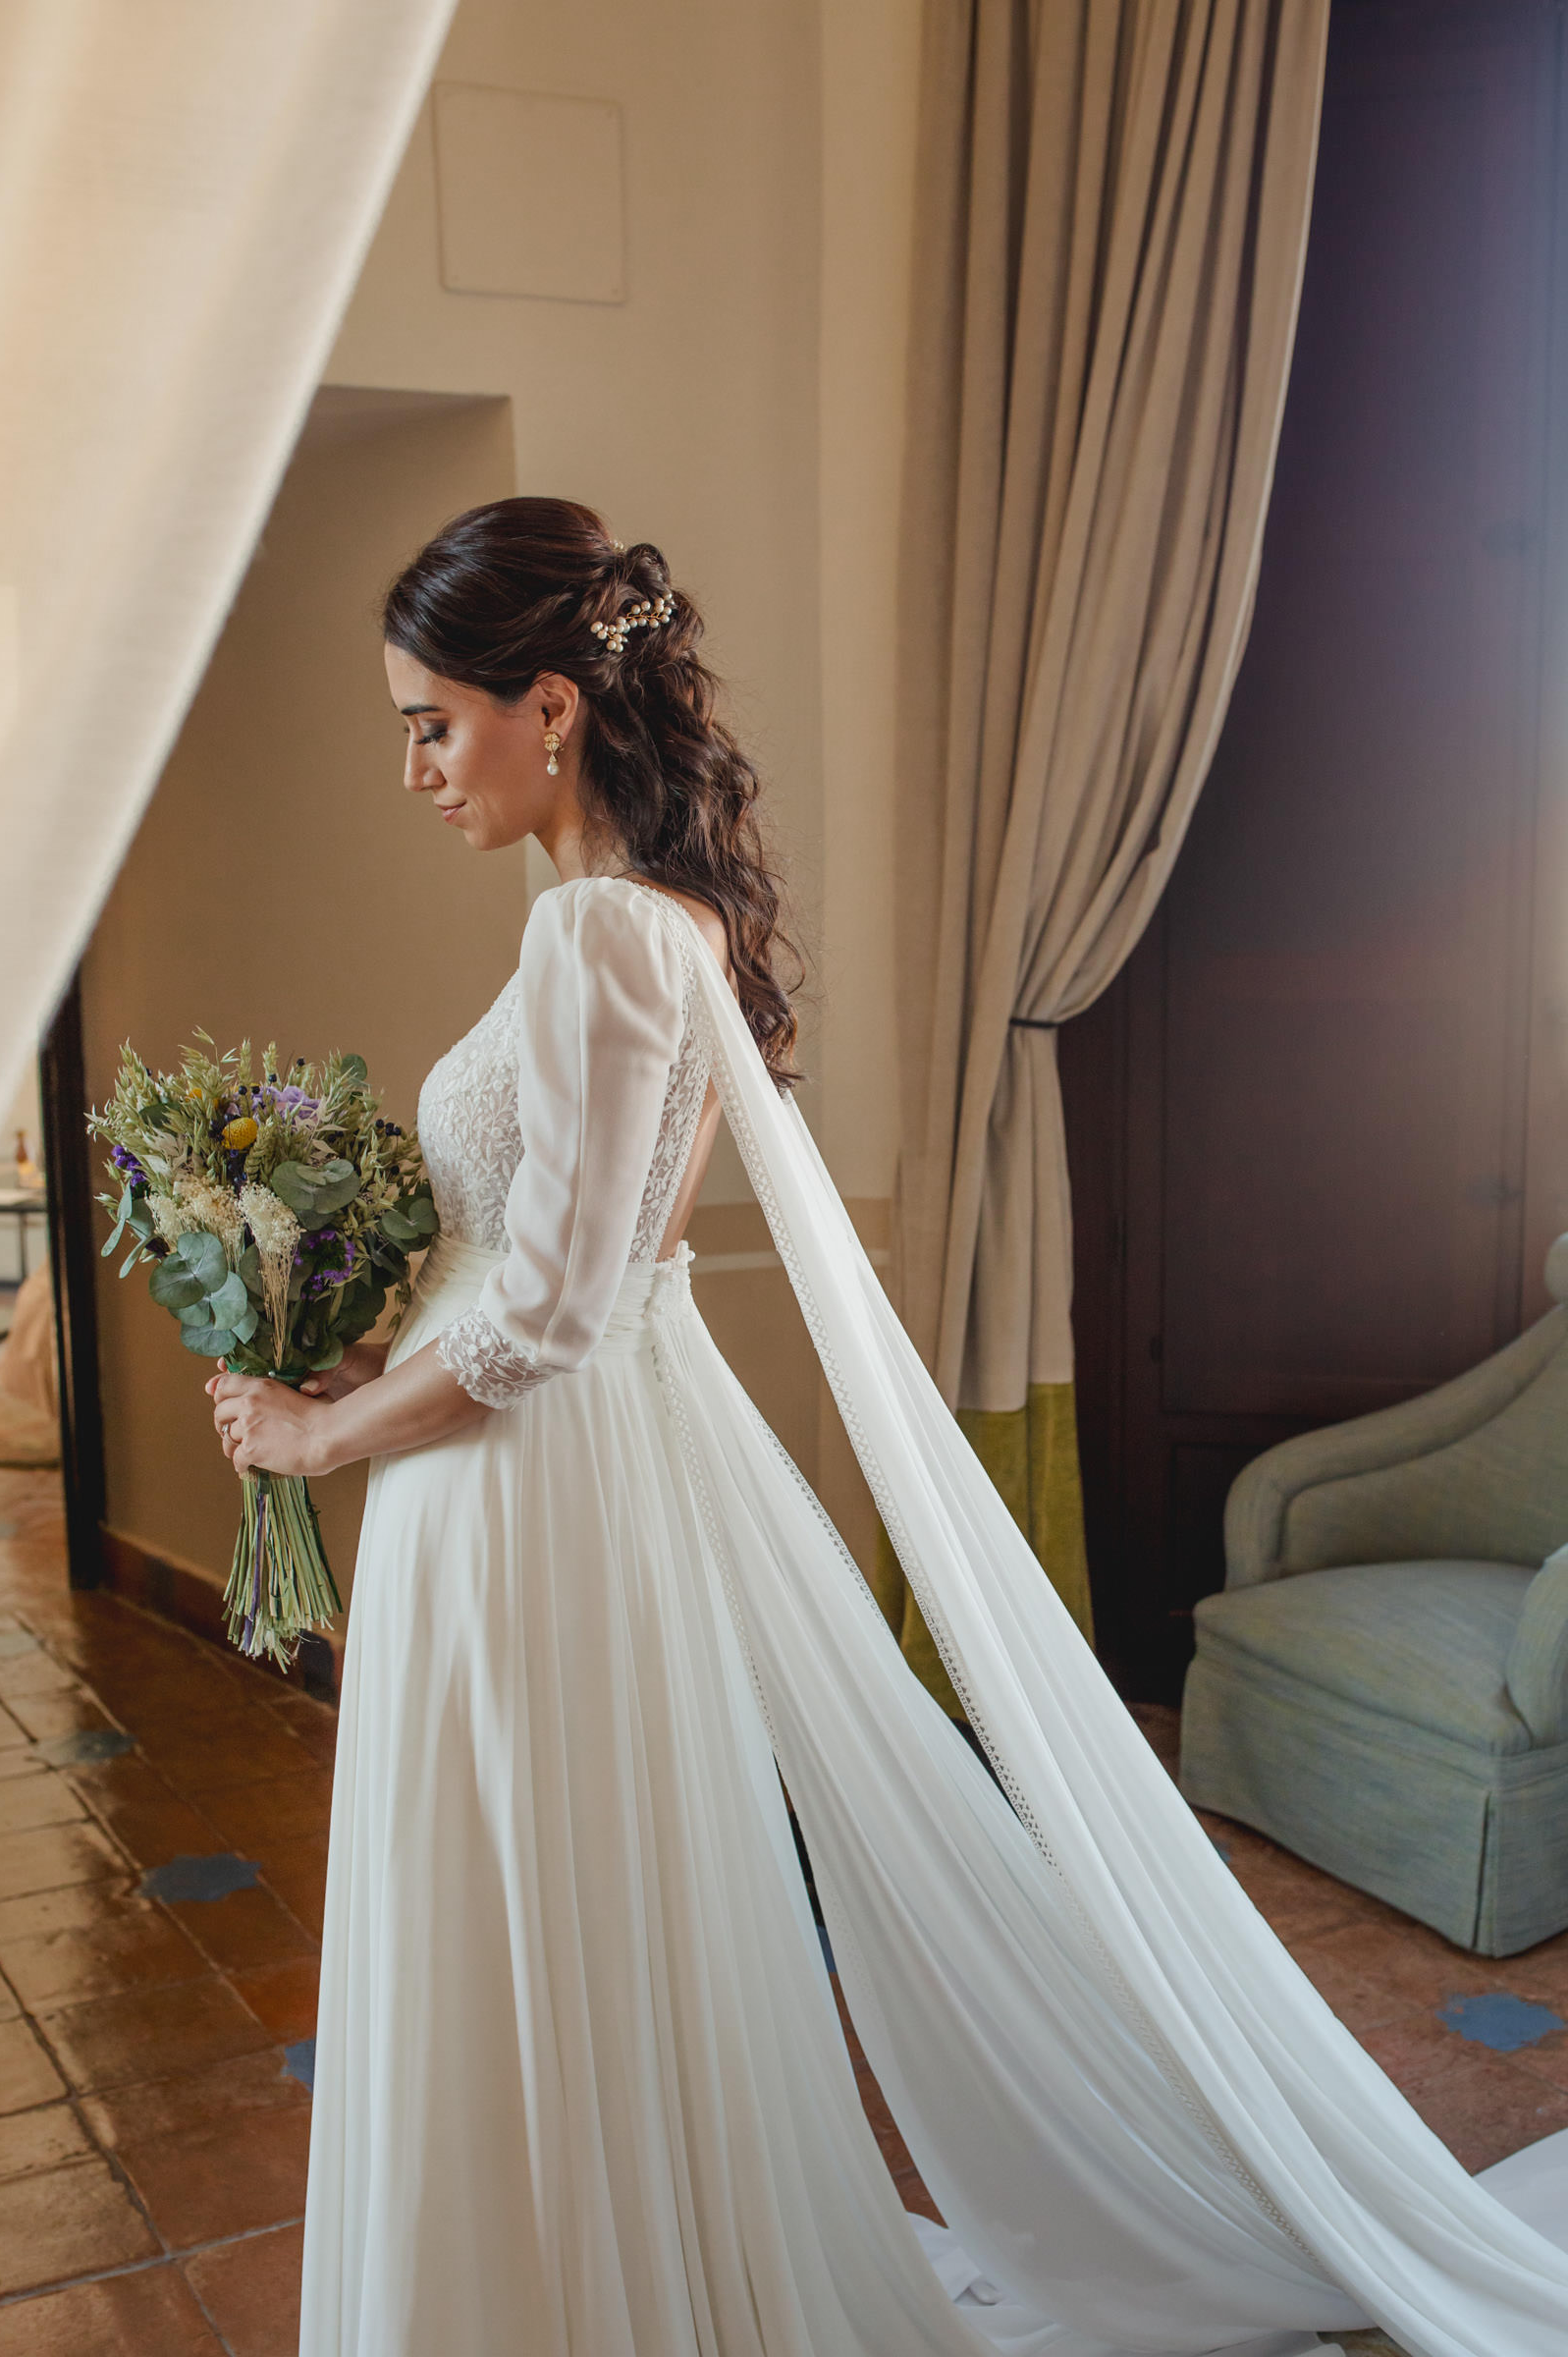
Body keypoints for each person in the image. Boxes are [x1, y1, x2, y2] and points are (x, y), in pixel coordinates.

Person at [209, 499, 1568, 2357]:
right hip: (551, 1479)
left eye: (431, 721)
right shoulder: (670, 924)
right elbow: (593, 1259)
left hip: (518, 1493)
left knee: (522, 1920)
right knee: (573, 1920)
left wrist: (318, 1439)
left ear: (548, 705)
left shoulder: (597, 935)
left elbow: (555, 1312)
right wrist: (366, 1343)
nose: (416, 768)